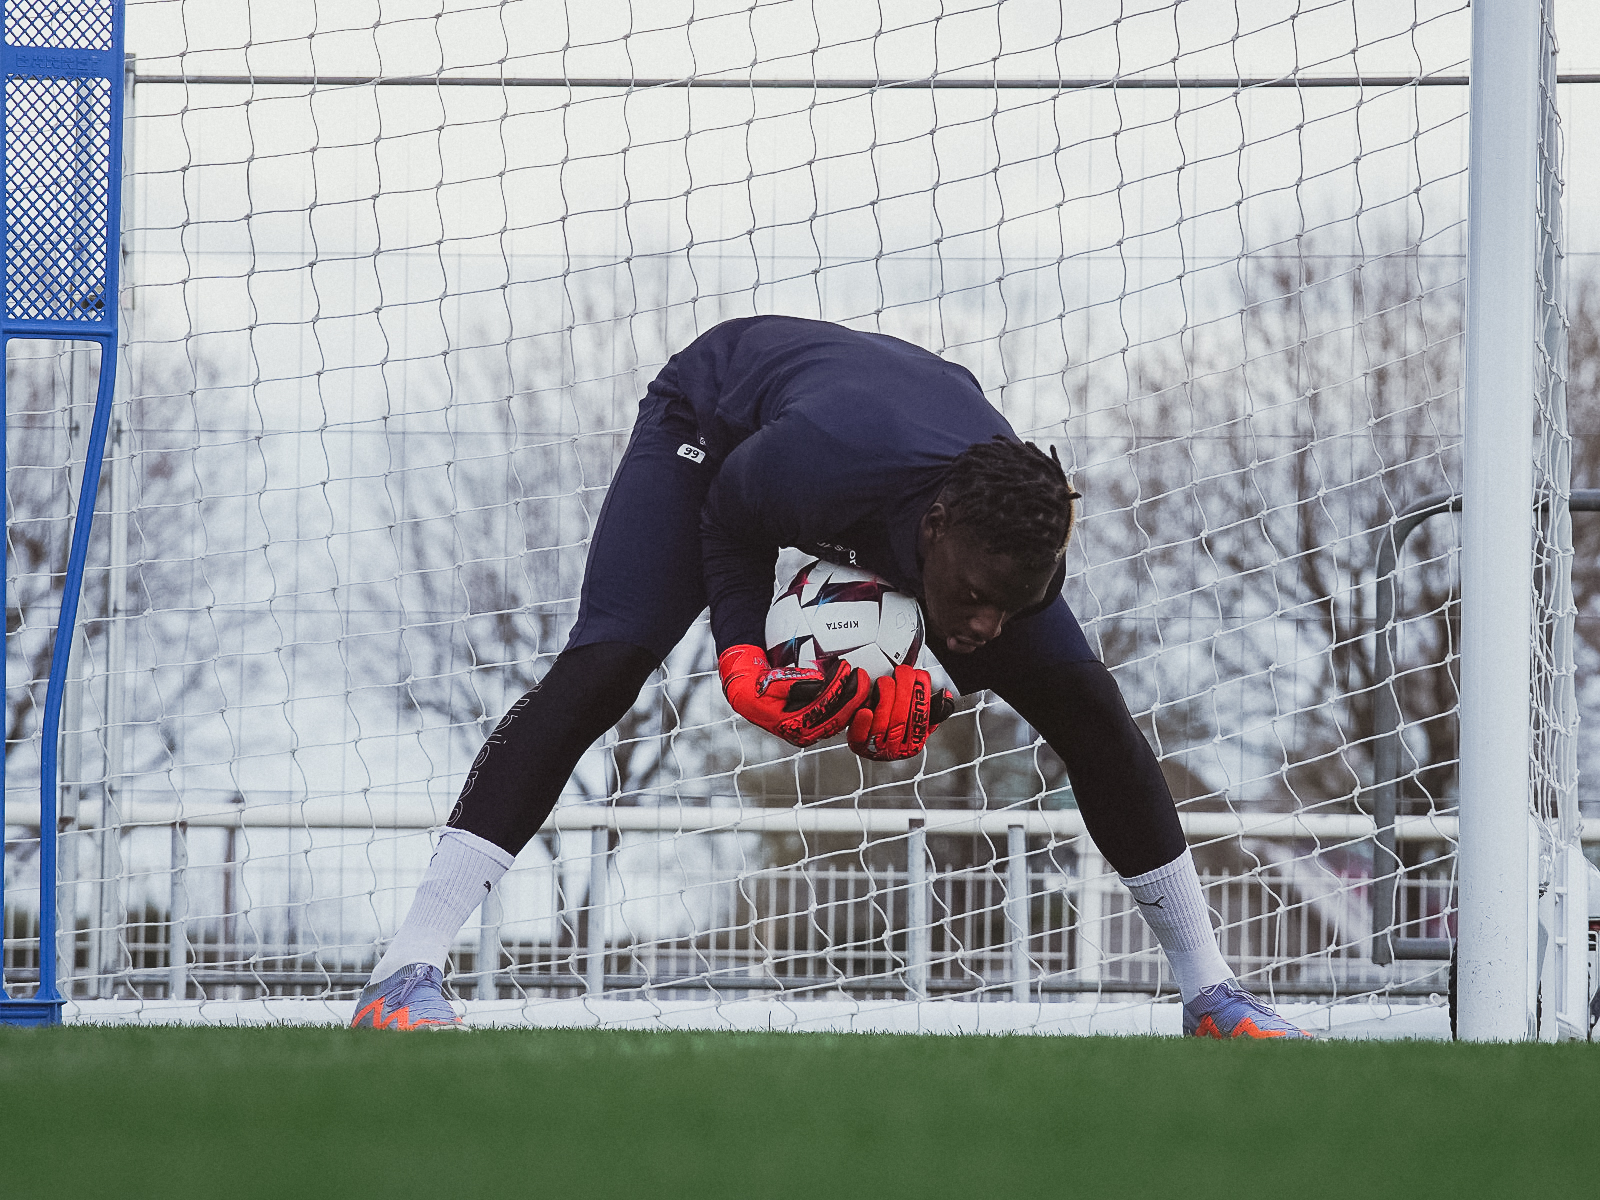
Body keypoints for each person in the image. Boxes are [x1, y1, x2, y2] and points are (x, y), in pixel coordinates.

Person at [350, 315, 1310, 1038]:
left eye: (1009, 606)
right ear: (933, 532)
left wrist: (932, 685)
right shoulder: (827, 465)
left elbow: (986, 624)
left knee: (1092, 709)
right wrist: (740, 659)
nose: (986, 623)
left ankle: (1210, 992)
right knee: (605, 666)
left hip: (876, 463)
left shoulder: (1016, 549)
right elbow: (731, 517)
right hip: (715, 427)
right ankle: (404, 973)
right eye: (972, 597)